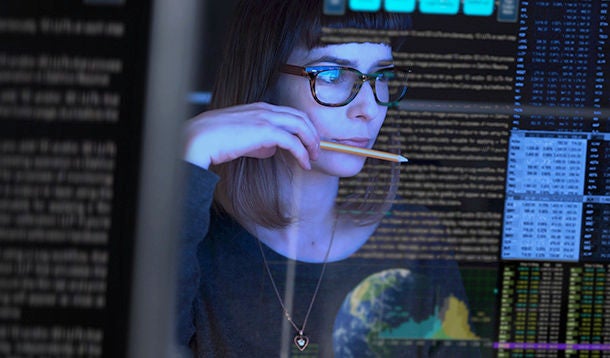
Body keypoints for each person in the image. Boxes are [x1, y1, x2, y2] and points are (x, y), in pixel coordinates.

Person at [177, 0, 478, 356]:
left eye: (381, 76)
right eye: (333, 75)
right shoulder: (192, 238)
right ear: (264, 78)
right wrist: (187, 156)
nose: (368, 109)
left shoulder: (418, 241)